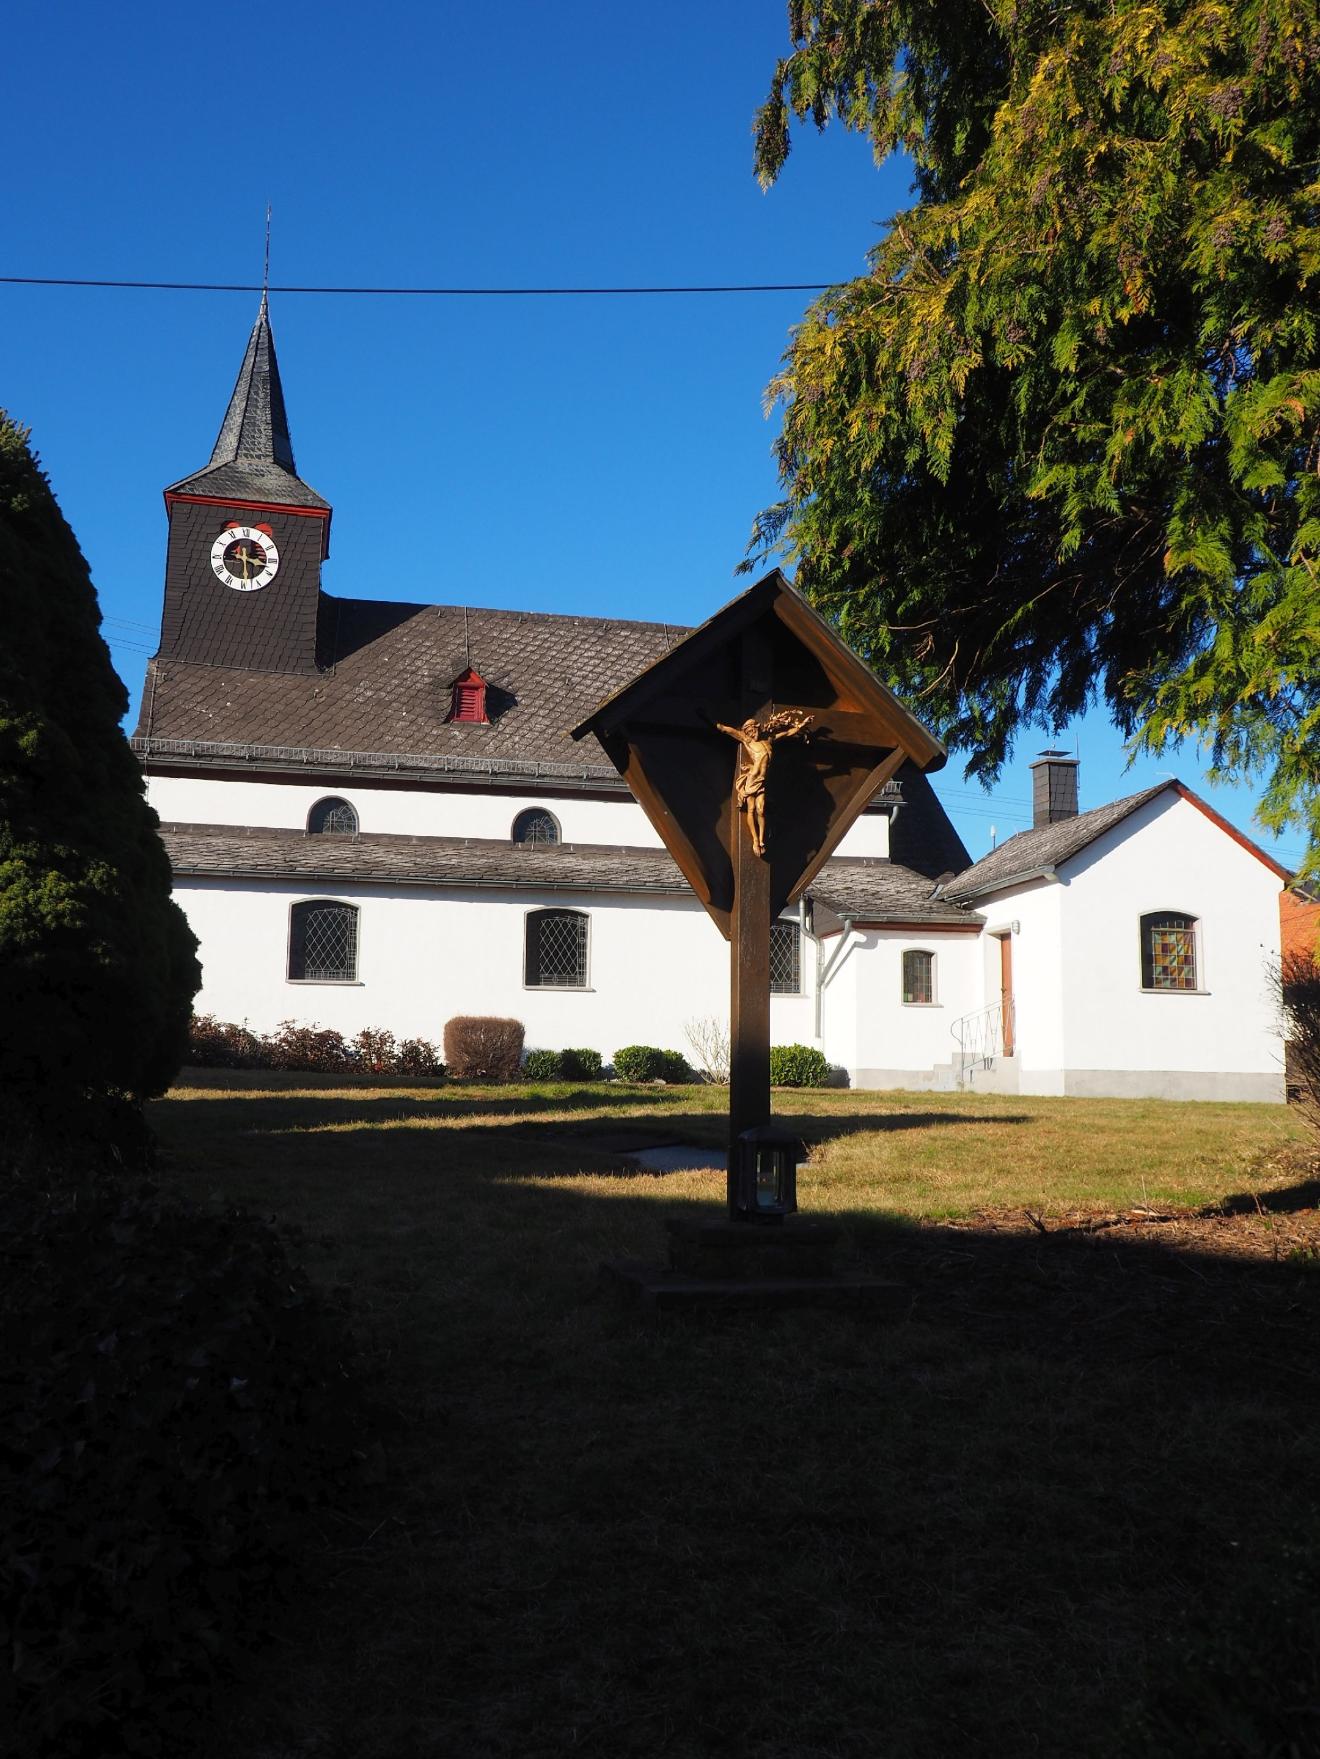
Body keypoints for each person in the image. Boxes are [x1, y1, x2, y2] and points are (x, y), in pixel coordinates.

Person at [713, 710, 813, 856]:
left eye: (751, 730)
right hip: (753, 779)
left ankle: (761, 840)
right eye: (747, 731)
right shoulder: (747, 740)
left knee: (761, 809)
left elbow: (787, 733)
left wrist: (803, 724)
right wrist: (716, 724)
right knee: (752, 809)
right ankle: (755, 840)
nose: (750, 733)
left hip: (763, 780)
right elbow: (729, 730)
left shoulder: (769, 739)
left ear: (757, 728)